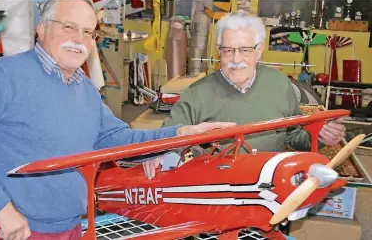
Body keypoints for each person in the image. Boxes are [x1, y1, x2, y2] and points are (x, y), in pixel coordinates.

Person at [0, 0, 236, 240]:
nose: (79, 39)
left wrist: (184, 134)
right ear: (42, 28)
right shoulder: (3, 76)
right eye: (68, 27)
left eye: (88, 32)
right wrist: (2, 209)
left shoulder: (83, 87)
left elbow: (118, 141)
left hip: (71, 228)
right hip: (15, 230)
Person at [142, 11, 346, 179]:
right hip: (217, 188)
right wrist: (158, 153)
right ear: (218, 50)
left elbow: (293, 136)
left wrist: (320, 136)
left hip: (270, 183)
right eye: (227, 50)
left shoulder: (279, 84)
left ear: (260, 50)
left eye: (245, 50)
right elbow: (169, 137)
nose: (235, 59)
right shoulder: (197, 93)